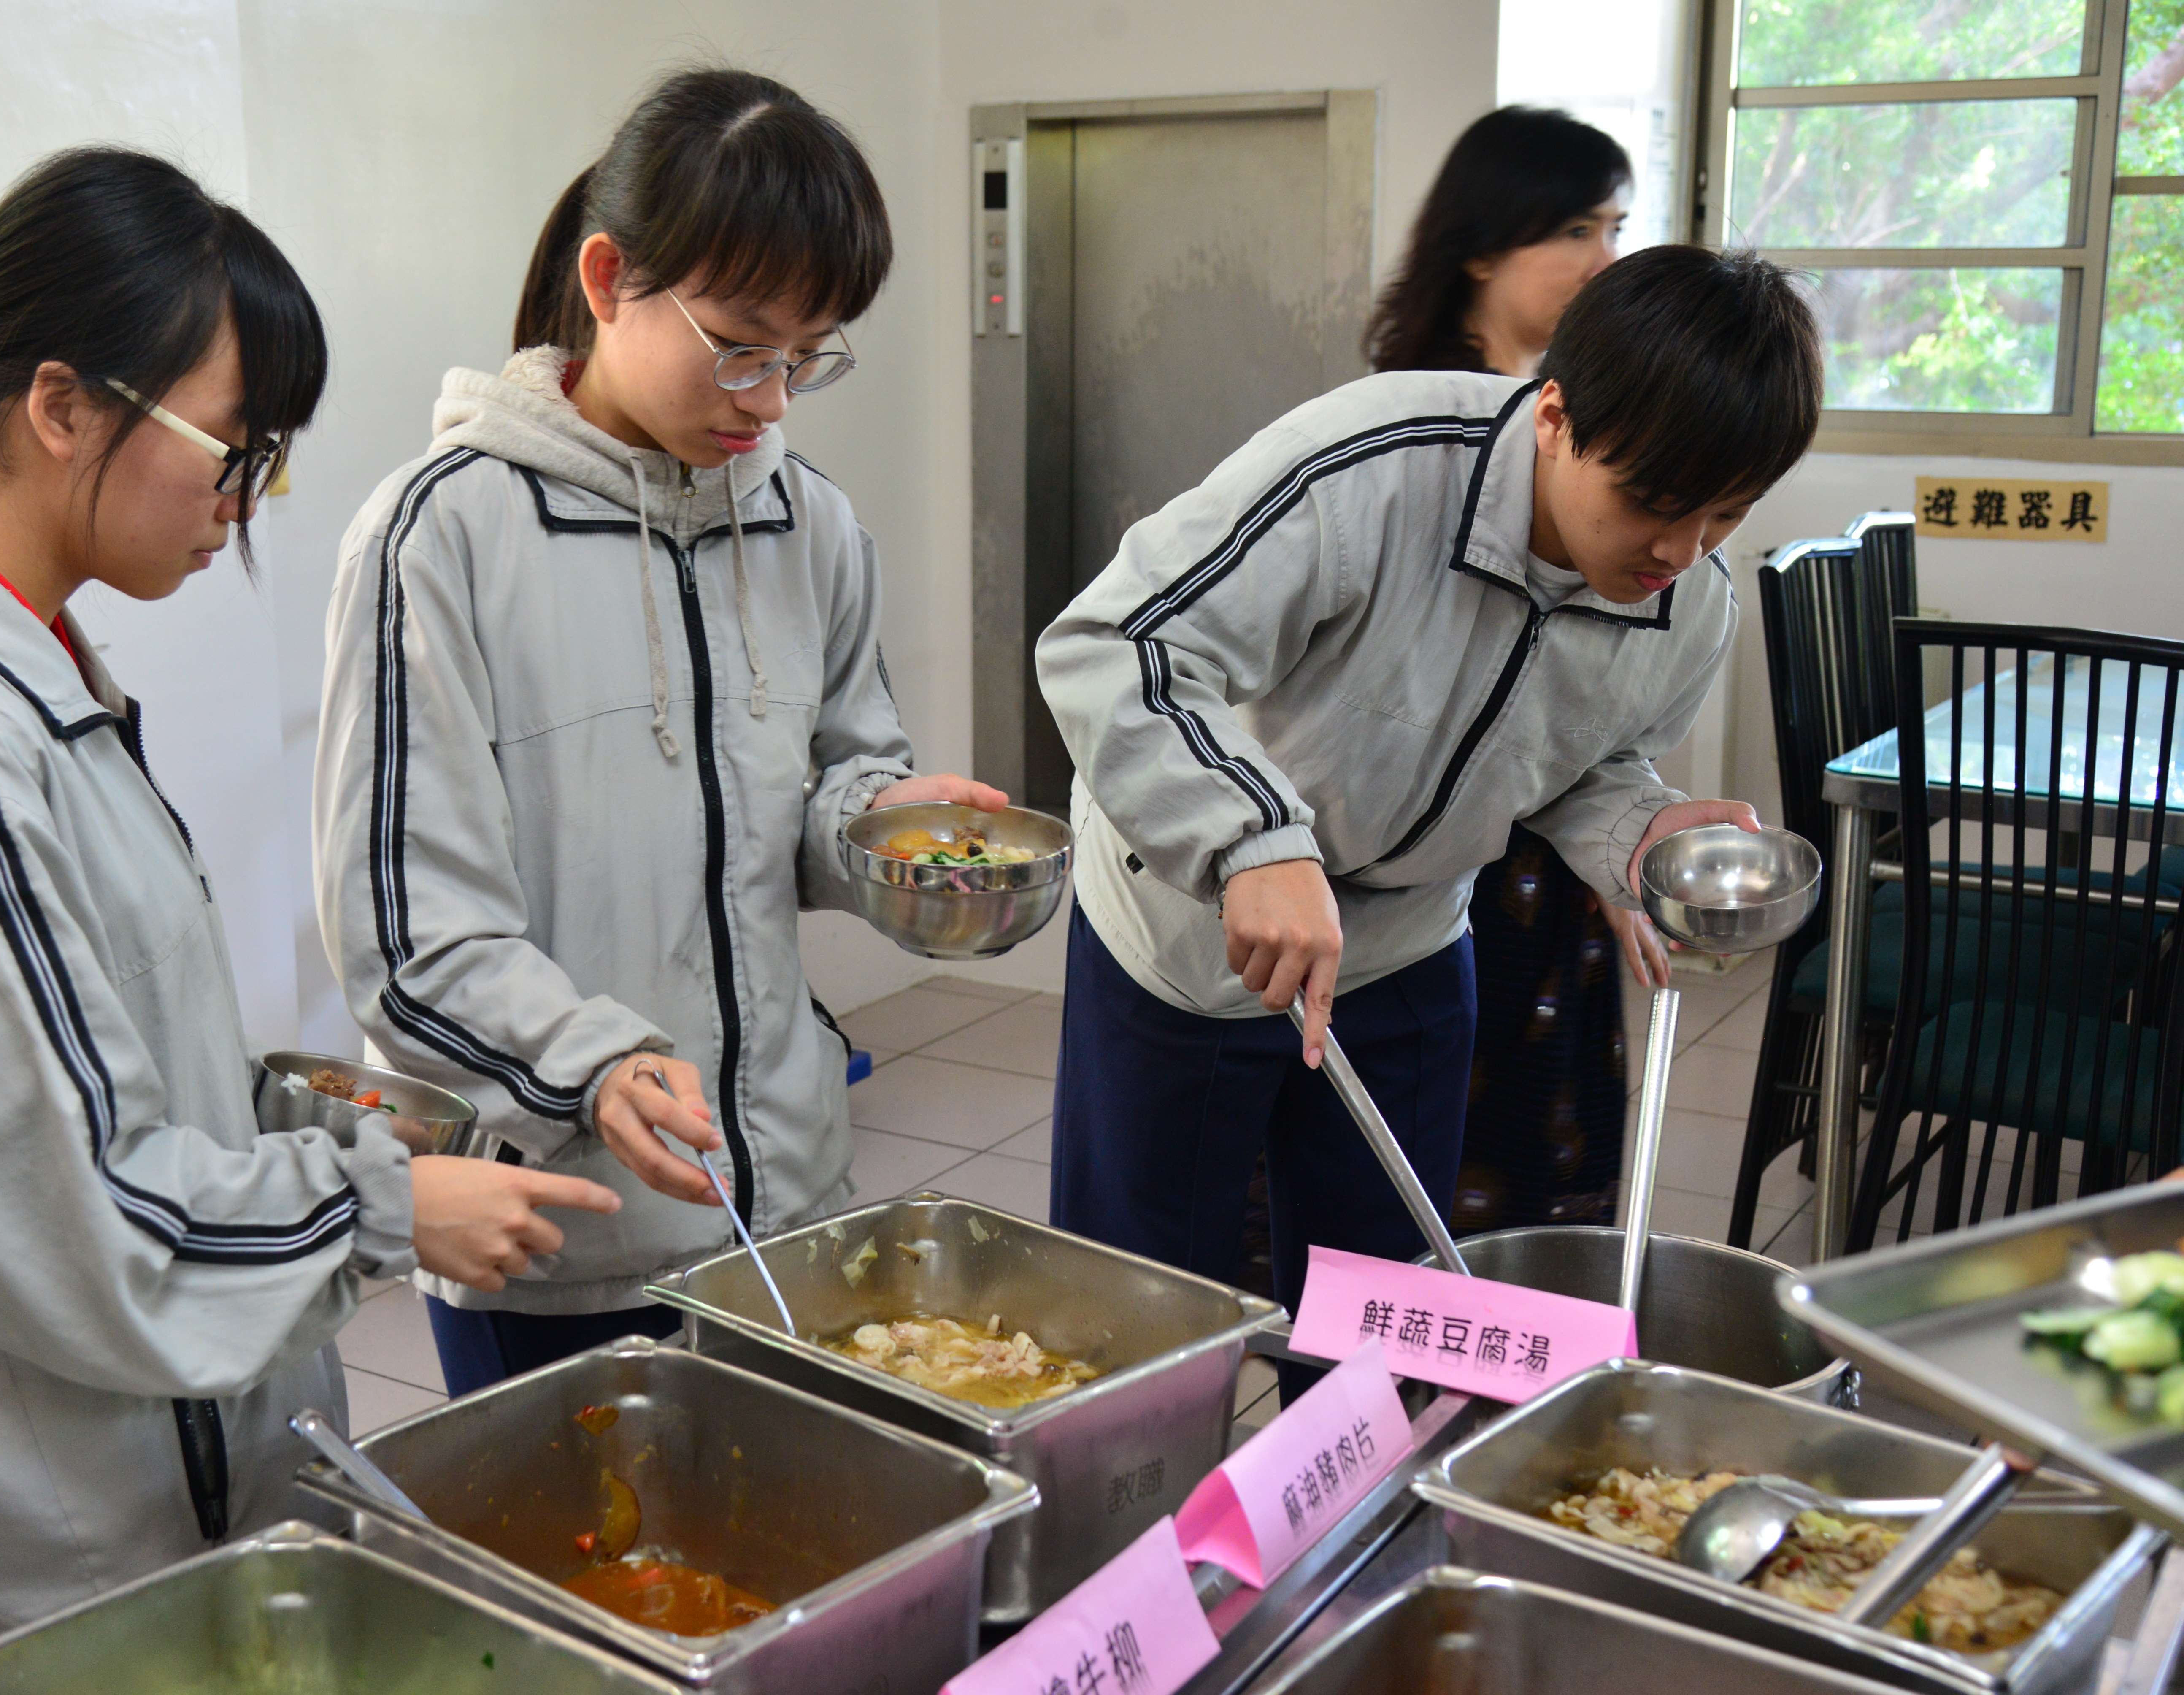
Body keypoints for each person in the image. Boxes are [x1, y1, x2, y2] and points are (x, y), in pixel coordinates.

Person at [0, 148, 619, 1656]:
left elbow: (101, 1078)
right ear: (61, 407)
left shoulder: (33, 681)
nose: (248, 503)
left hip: (158, 1504)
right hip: (71, 1567)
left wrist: (307, 1125)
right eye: (236, 447)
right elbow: (77, 1216)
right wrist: (383, 1209)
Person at [314, 68, 998, 1394]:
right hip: (563, 1220)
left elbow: (834, 770)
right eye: (742, 343)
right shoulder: (441, 539)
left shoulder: (813, 526)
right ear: (610, 275)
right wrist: (594, 1064)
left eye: (808, 355)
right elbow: (407, 932)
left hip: (787, 1196)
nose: (773, 398)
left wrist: (888, 838)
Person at [1038, 245, 1822, 1397]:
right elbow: (1118, 645)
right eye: (1653, 505)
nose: (1679, 552)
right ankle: (1137, 1552)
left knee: (1386, 1313)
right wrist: (1255, 838)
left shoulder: (1689, 600)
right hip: (1193, 936)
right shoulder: (1375, 470)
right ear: (1555, 416)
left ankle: (1349, 1544)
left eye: (1725, 516)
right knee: (1146, 1314)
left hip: (1407, 942)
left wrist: (1639, 836)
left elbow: (1584, 762)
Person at [1362, 106, 1668, 1236]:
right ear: (1485, 244)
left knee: (1518, 1191)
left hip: (1544, 859)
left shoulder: (1566, 418)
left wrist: (1627, 832)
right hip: (1439, 859)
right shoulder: (1415, 433)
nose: (1608, 261)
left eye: (1618, 226)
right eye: (1580, 230)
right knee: (1409, 1187)